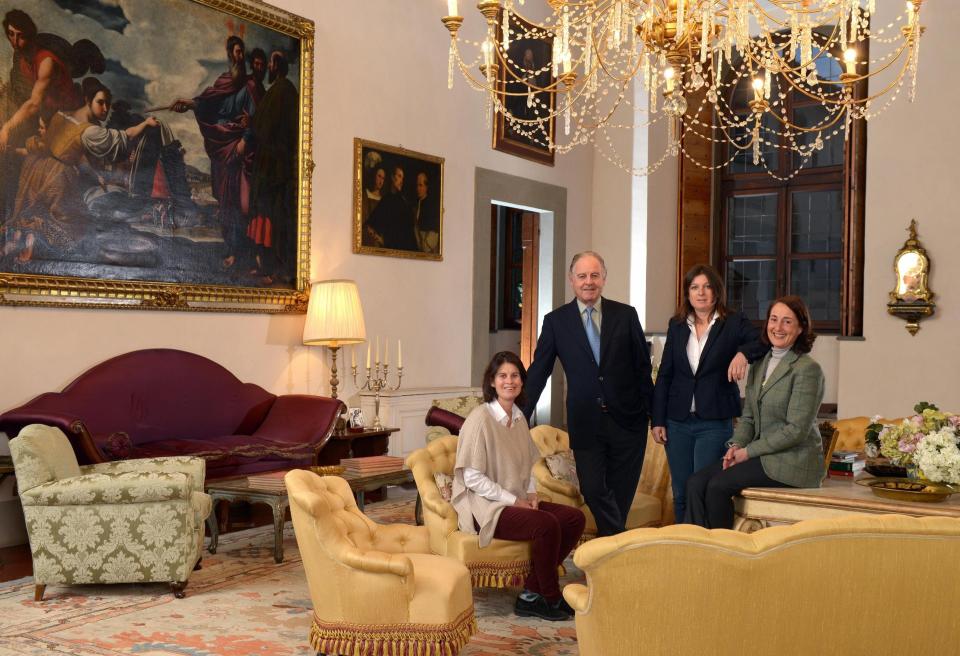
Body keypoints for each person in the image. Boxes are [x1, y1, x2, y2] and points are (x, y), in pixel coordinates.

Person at [523, 251, 654, 537]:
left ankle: (610, 565)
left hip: (628, 423)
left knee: (620, 498)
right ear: (572, 280)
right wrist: (517, 413)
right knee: (593, 489)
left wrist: (656, 417)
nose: (588, 282)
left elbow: (643, 370)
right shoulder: (556, 322)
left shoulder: (626, 315)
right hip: (586, 424)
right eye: (582, 276)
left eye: (594, 275)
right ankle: (619, 548)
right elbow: (538, 372)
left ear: (604, 279)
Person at [451, 351, 585, 621]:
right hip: (486, 507)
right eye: (502, 376)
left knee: (573, 518)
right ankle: (549, 595)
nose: (509, 381)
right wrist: (515, 502)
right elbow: (473, 479)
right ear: (492, 381)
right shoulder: (480, 420)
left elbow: (527, 465)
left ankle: (530, 594)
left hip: (515, 499)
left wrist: (531, 493)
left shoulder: (519, 418)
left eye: (514, 376)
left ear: (522, 382)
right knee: (545, 524)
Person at [685, 295, 826, 530]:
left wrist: (748, 452)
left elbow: (796, 431)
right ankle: (700, 549)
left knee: (717, 486)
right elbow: (749, 417)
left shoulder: (807, 369)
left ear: (801, 328)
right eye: (773, 319)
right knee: (695, 483)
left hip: (793, 460)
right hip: (761, 454)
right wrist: (735, 446)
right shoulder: (760, 363)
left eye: (787, 322)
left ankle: (726, 555)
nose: (778, 328)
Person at [651, 264, 768, 523]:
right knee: (681, 492)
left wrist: (742, 354)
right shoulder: (678, 325)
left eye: (707, 286)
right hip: (677, 421)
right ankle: (684, 546)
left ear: (717, 291)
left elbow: (764, 339)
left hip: (714, 422)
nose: (701, 293)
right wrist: (657, 419)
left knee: (703, 488)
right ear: (687, 293)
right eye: (695, 287)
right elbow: (666, 374)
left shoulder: (733, 322)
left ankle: (705, 548)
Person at [5, 78, 157, 261]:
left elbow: (70, 152)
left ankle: (24, 238)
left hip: (35, 167)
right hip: (57, 177)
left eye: (108, 103)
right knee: (74, 228)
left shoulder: (62, 114)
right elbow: (125, 136)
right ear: (87, 100)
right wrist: (145, 124)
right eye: (100, 102)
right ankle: (33, 242)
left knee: (36, 211)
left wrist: (94, 176)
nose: (105, 108)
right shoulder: (90, 132)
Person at [171, 35, 257, 269]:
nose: (239, 56)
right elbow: (207, 104)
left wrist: (245, 139)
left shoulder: (249, 86)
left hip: (237, 148)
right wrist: (188, 104)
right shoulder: (223, 81)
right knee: (224, 200)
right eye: (236, 52)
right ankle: (231, 247)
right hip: (220, 148)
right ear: (230, 55)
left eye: (242, 52)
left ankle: (238, 252)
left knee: (236, 201)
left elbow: (255, 119)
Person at [247, 50, 298, 284]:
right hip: (272, 166)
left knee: (272, 216)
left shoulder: (281, 91)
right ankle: (265, 265)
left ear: (276, 65)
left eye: (269, 63)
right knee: (265, 214)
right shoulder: (282, 90)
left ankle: (273, 268)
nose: (267, 67)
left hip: (274, 168)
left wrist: (251, 124)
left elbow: (265, 126)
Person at [365, 164, 418, 251]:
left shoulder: (404, 201)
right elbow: (371, 224)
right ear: (393, 177)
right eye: (399, 176)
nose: (401, 181)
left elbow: (409, 229)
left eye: (402, 178)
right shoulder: (386, 199)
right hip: (391, 248)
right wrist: (381, 240)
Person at [413, 171, 439, 253]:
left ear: (426, 187)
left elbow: (435, 232)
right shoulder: (415, 205)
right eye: (417, 185)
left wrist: (425, 245)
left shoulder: (432, 205)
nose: (418, 189)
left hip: (428, 249)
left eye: (420, 185)